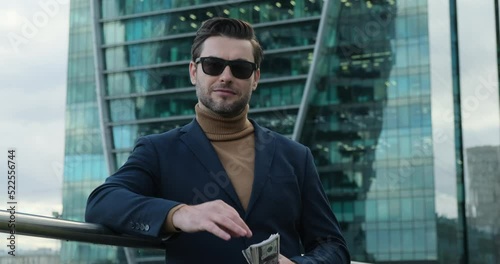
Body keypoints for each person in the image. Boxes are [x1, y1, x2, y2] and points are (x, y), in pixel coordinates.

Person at [85, 17, 350, 264]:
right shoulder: (159, 150)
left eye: (241, 68)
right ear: (193, 72)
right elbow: (102, 203)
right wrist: (179, 214)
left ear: (255, 78)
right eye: (213, 65)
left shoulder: (295, 156)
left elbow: (332, 245)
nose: (226, 76)